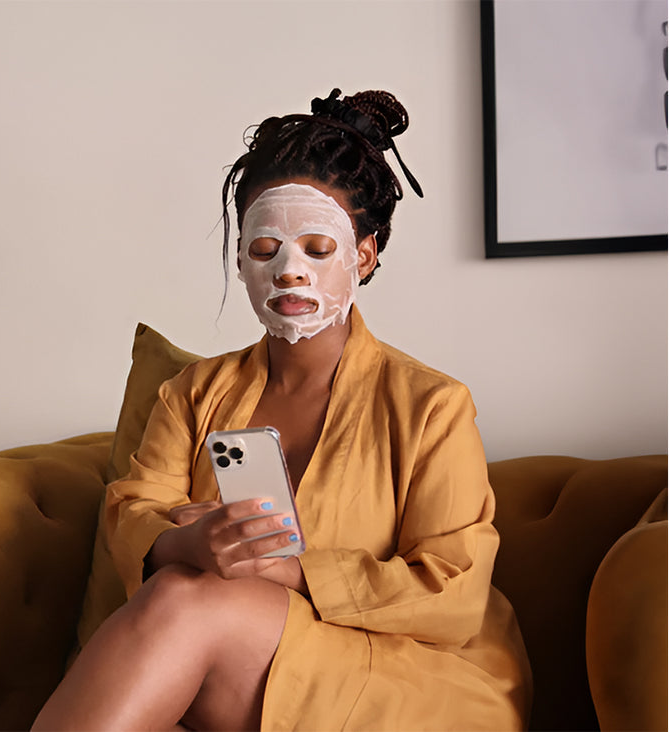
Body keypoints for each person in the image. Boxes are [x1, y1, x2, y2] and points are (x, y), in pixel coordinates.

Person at [33, 88, 532, 731]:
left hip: (419, 677)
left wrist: (290, 571)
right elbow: (134, 507)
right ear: (241, 260)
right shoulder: (190, 393)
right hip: (241, 649)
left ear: (365, 254)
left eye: (317, 250)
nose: (290, 272)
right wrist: (190, 541)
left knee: (186, 598)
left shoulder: (432, 406)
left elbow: (453, 593)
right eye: (266, 250)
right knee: (184, 588)